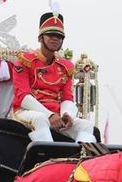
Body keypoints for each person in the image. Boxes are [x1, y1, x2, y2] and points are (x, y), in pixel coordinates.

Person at [11, 10, 96, 143]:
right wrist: (49, 115)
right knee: (40, 119)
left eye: (59, 36)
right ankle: (45, 158)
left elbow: (67, 97)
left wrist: (67, 115)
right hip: (27, 111)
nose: (55, 38)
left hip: (56, 115)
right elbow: (23, 97)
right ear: (40, 38)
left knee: (86, 125)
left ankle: (82, 160)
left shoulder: (65, 67)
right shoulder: (24, 61)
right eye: (50, 35)